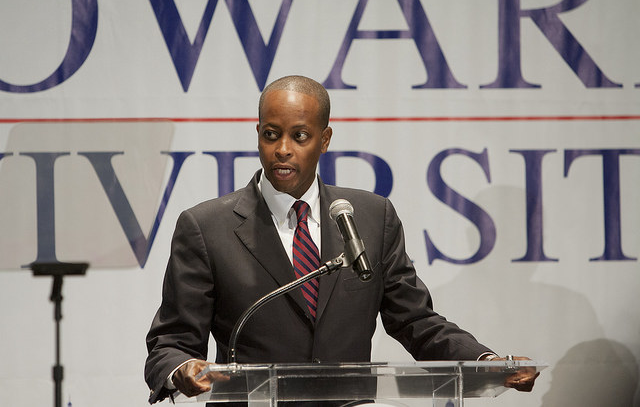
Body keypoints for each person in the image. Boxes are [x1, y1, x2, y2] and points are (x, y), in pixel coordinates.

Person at [144, 75, 539, 404]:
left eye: (300, 136)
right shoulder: (207, 226)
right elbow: (171, 342)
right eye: (271, 134)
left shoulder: (370, 218)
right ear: (258, 134)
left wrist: (485, 362)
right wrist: (182, 369)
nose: (282, 149)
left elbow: (416, 321)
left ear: (325, 139)